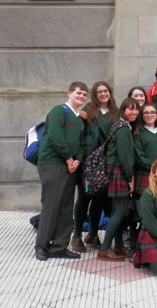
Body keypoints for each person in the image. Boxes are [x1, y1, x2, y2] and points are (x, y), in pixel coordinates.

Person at [35, 81, 88, 261]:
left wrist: (78, 159)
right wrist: (68, 158)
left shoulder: (79, 119)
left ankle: (59, 247)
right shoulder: (59, 111)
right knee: (51, 205)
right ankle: (41, 246)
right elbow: (55, 136)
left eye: (84, 94)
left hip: (70, 167)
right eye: (78, 93)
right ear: (69, 93)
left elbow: (81, 143)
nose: (81, 96)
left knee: (66, 207)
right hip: (53, 163)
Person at [72, 81, 118, 252]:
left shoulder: (116, 113)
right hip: (89, 162)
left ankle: (92, 235)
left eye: (106, 91)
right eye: (99, 92)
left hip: (106, 163)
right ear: (95, 95)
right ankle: (77, 236)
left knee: (99, 200)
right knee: (84, 198)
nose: (103, 94)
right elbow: (79, 135)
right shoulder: (88, 111)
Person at [97, 97, 139, 261]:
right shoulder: (123, 129)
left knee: (117, 211)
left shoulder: (120, 125)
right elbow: (125, 156)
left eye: (136, 109)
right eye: (130, 109)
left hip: (114, 170)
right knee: (120, 211)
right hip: (118, 172)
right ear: (123, 110)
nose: (134, 112)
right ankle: (104, 249)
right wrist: (130, 178)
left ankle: (119, 246)